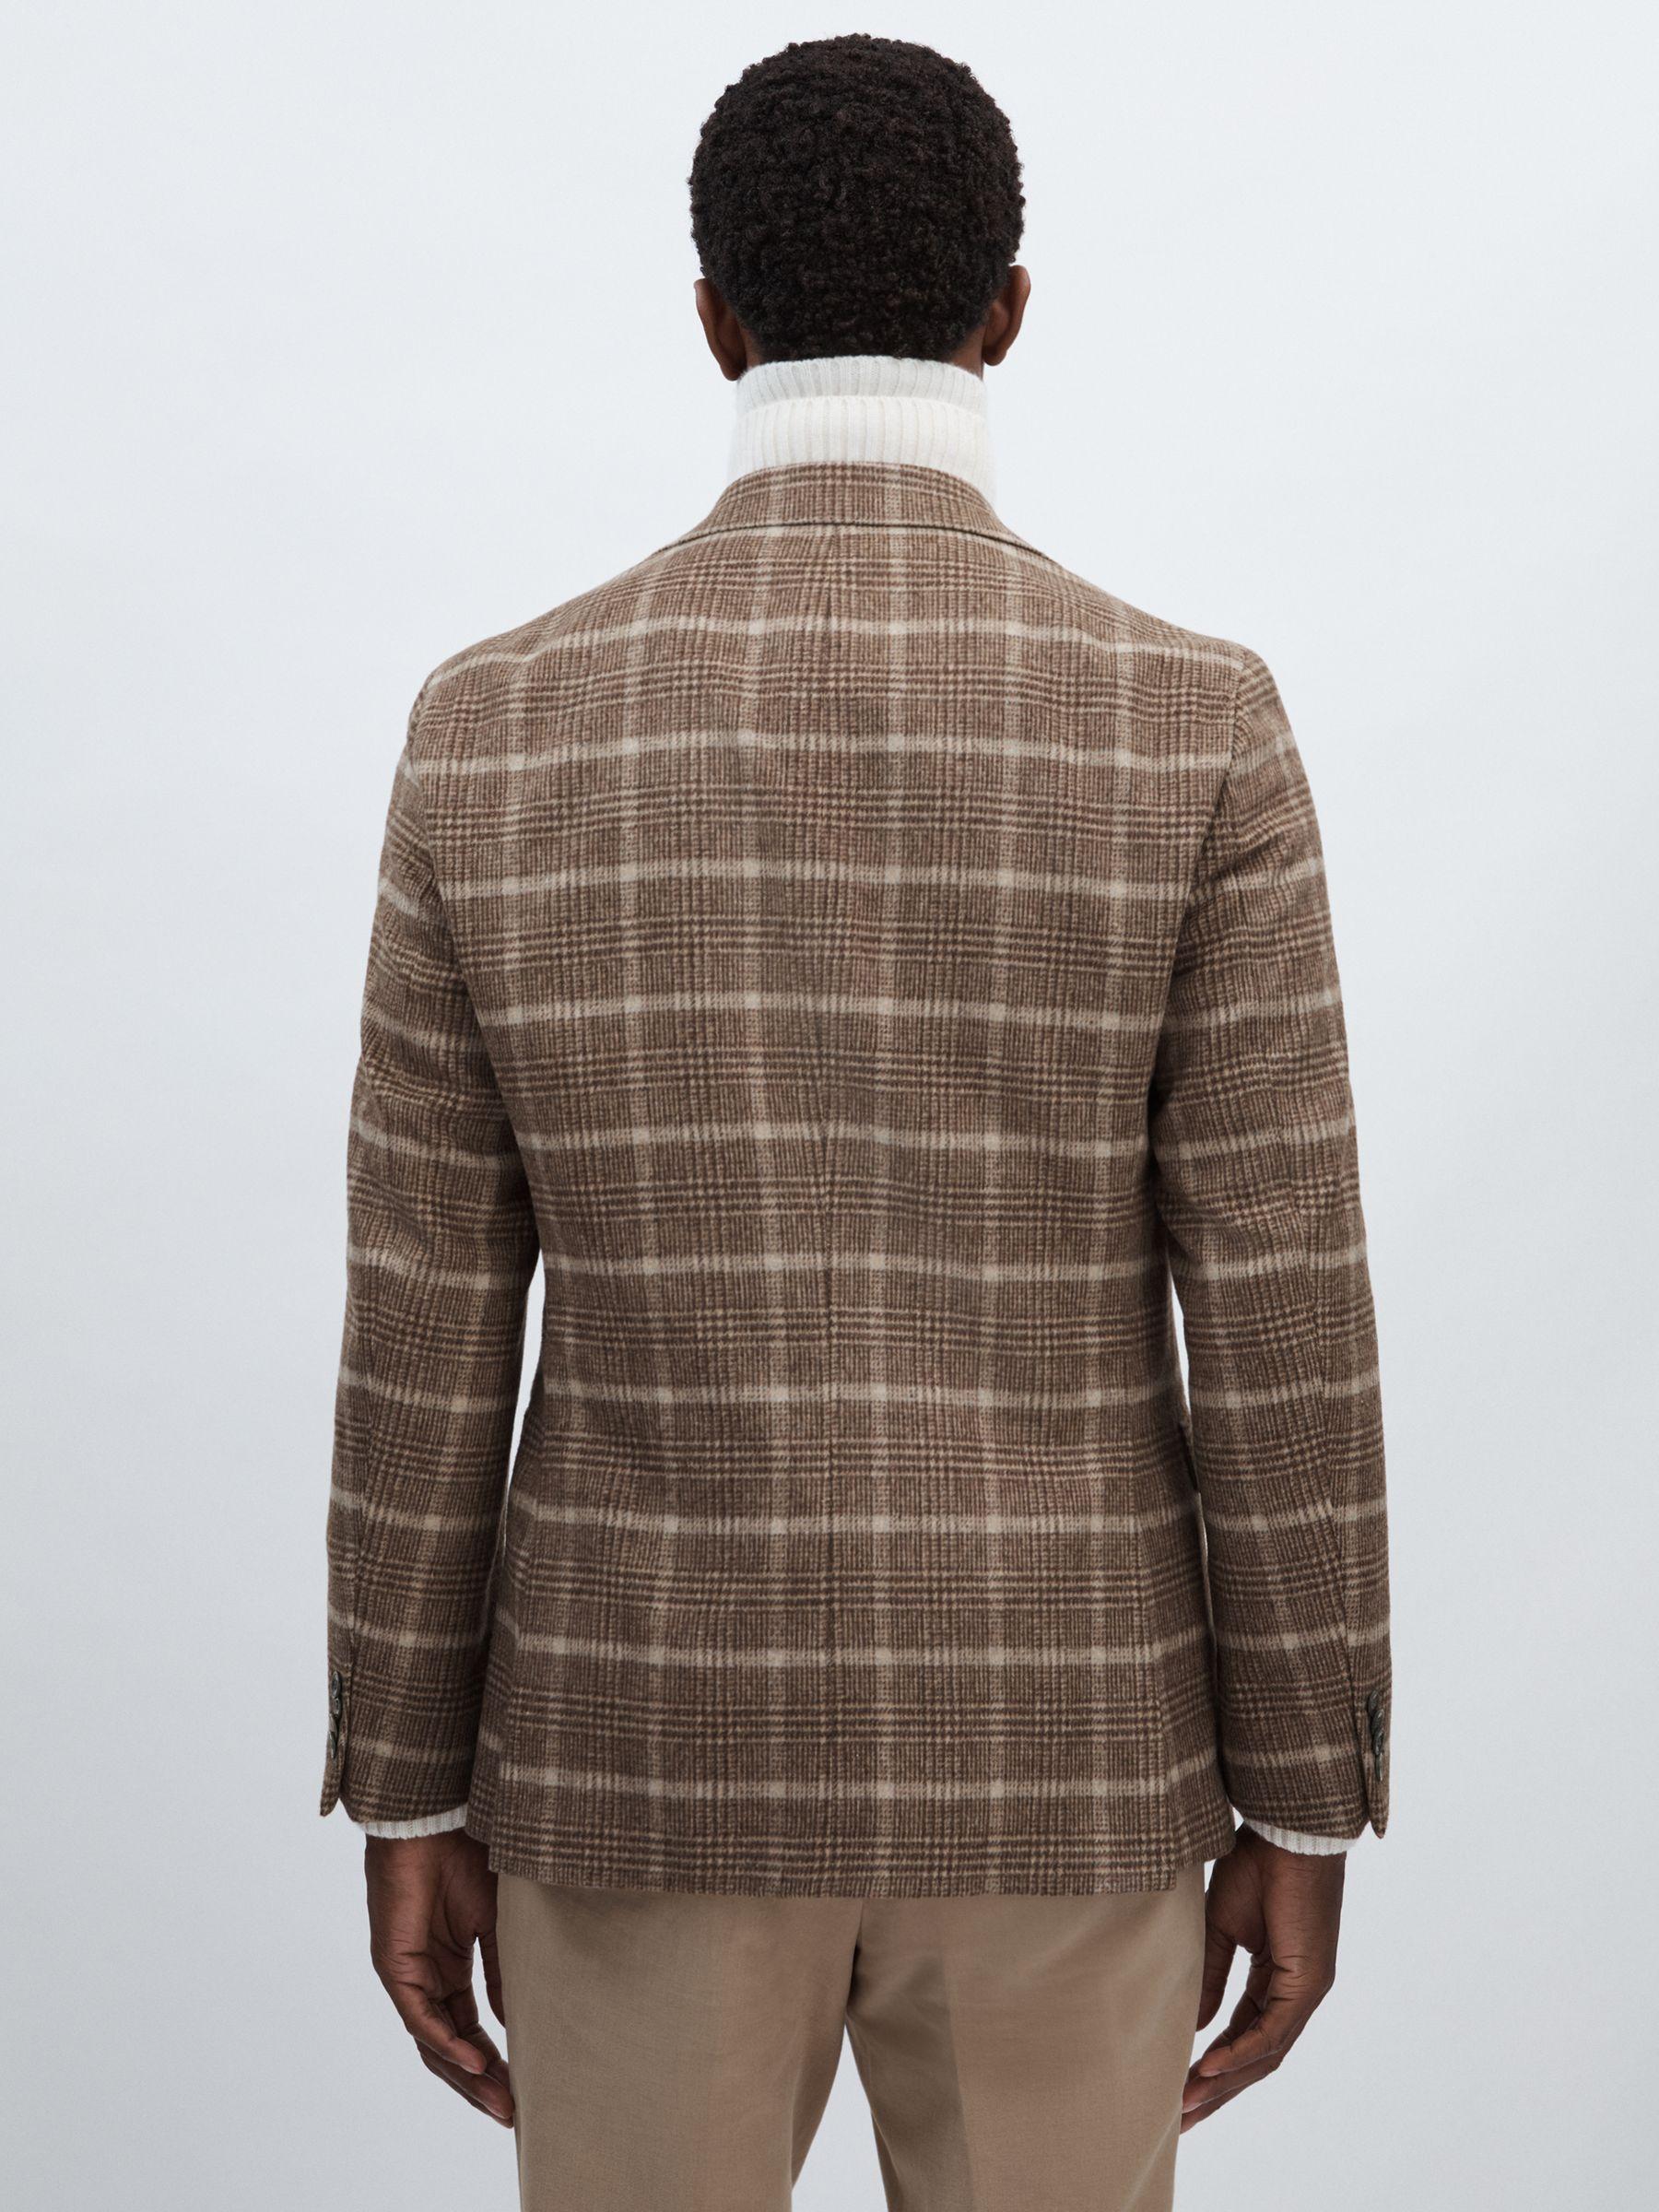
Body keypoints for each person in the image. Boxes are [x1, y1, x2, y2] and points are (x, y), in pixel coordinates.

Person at [323, 33, 1391, 2211]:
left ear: (714, 318)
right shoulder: (1190, 726)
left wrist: (406, 1782)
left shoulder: (496, 729)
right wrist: (1306, 1792)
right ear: (1011, 309)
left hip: (635, 1754)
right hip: (1066, 1757)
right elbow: (1284, 1312)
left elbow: (423, 1323)